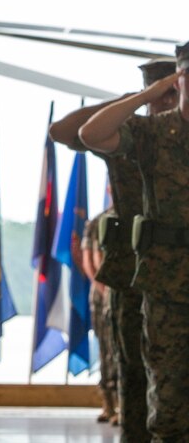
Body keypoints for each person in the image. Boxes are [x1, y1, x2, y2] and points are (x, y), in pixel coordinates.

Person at [49, 57, 176, 441]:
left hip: (178, 272)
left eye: (170, 94)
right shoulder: (131, 132)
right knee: (132, 370)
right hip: (131, 272)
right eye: (157, 95)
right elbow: (62, 131)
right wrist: (132, 100)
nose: (162, 104)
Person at [79, 46, 189, 442]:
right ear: (179, 80)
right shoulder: (155, 132)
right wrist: (144, 97)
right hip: (166, 286)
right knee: (169, 404)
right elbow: (89, 134)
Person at [82, 211, 118, 425]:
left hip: (124, 296)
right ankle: (109, 403)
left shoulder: (131, 214)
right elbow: (90, 262)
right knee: (106, 350)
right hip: (102, 296)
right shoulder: (97, 222)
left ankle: (124, 403)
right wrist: (106, 291)